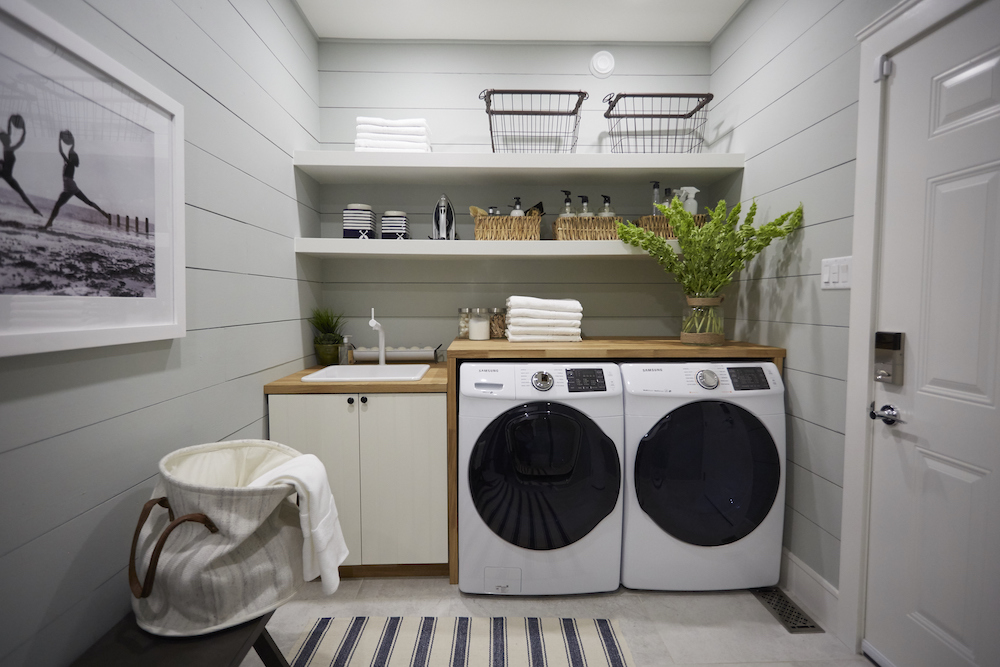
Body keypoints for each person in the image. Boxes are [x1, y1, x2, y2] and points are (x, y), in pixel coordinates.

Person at [44, 129, 109, 228]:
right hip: (72, 186)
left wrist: (59, 139)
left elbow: (61, 151)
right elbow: (70, 150)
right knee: (87, 201)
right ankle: (102, 212)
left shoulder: (69, 163)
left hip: (69, 187)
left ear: (72, 158)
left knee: (58, 205)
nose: (70, 154)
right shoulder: (70, 163)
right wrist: (72, 140)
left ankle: (49, 223)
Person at [0, 113, 42, 215]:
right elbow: (20, 142)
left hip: (7, 174)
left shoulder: (7, 147)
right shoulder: (9, 148)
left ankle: (34, 209)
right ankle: (34, 209)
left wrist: (10, 120)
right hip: (5, 173)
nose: (10, 137)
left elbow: (8, 132)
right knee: (21, 192)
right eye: (8, 137)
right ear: (6, 140)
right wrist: (24, 131)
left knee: (21, 192)